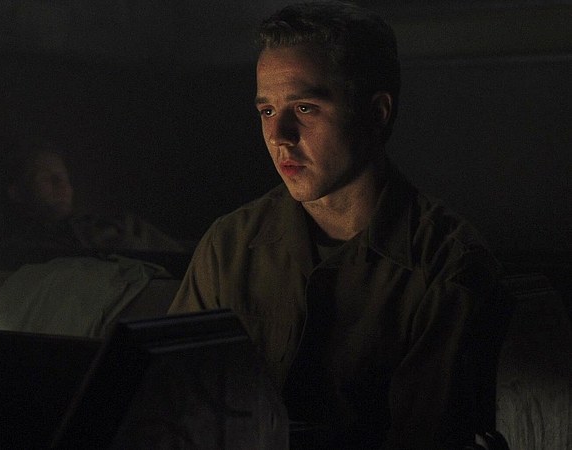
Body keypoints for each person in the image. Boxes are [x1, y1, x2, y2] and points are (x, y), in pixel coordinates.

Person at [168, 2, 505, 448]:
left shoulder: (446, 266)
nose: (279, 135)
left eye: (305, 108)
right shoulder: (229, 245)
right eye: (266, 111)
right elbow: (172, 407)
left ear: (377, 112)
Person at [0, 139, 187, 254]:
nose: (62, 184)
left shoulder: (117, 224)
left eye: (64, 177)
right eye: (46, 178)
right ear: (16, 192)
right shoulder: (9, 250)